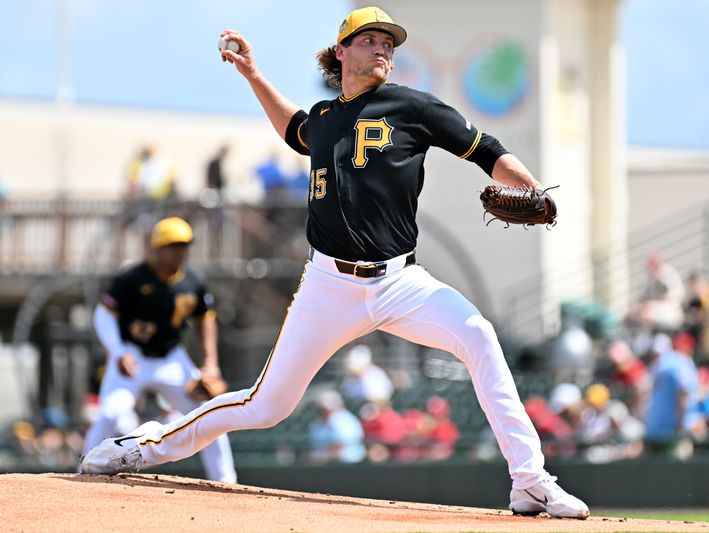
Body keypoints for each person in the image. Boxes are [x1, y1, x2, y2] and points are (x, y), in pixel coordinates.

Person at [81, 7, 588, 519]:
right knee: (265, 406)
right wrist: (255, 76)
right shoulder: (324, 119)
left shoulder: (415, 107)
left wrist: (533, 189)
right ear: (341, 51)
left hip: (401, 282)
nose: (383, 48)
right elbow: (294, 130)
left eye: (389, 42)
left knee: (479, 336)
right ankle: (143, 447)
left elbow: (488, 152)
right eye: (369, 39)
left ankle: (531, 481)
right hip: (327, 284)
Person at [81, 217, 237, 483]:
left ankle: (226, 481)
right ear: (156, 247)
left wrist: (210, 362)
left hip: (171, 360)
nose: (179, 252)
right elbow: (103, 315)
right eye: (172, 245)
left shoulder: (193, 281)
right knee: (109, 413)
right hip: (134, 357)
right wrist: (118, 352)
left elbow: (205, 318)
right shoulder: (131, 278)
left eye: (184, 245)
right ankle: (82, 472)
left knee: (208, 417)